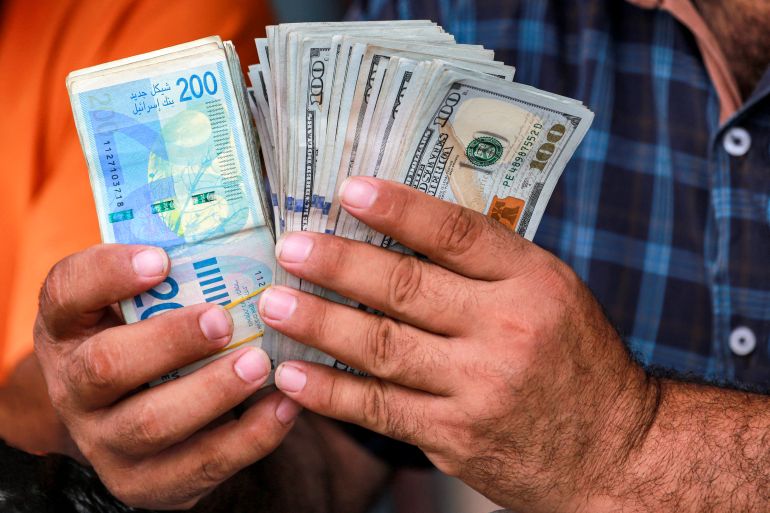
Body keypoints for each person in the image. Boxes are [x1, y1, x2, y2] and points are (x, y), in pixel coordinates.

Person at [3, 0, 769, 511]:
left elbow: (609, 440)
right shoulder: (453, 16)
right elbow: (336, 446)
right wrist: (197, 446)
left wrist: (624, 441)